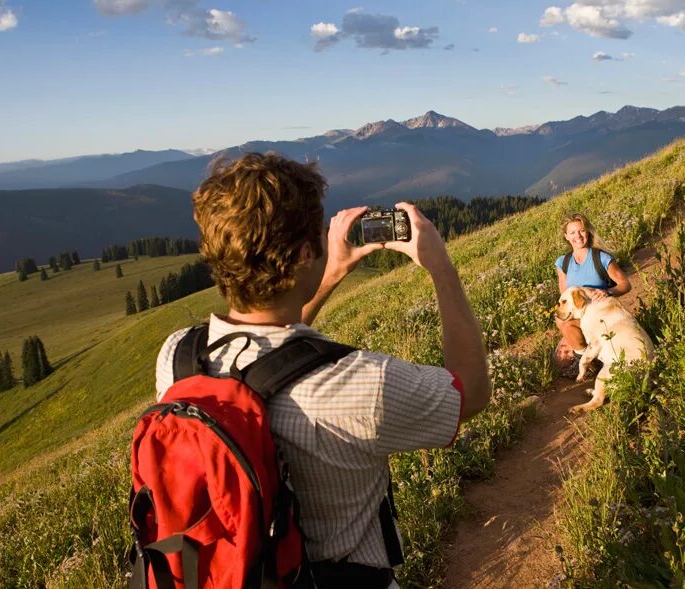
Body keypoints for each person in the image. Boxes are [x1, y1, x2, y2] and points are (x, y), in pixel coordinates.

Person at [154, 152, 490, 589]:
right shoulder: (363, 385)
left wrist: (327, 274)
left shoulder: (178, 359)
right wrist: (440, 266)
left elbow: (271, 357)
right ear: (304, 252)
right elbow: (471, 392)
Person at [553, 213, 631, 369]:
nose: (578, 236)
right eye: (573, 233)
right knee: (560, 362)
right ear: (566, 237)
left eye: (581, 231)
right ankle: (590, 359)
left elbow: (625, 285)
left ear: (587, 232)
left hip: (602, 316)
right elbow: (564, 296)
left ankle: (588, 360)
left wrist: (607, 292)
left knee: (564, 325)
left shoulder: (601, 258)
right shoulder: (563, 262)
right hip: (580, 317)